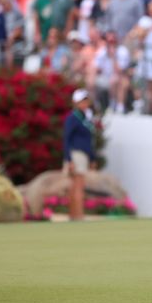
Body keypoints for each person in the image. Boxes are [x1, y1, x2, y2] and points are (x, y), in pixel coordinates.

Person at [63, 89, 96, 221]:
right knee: (77, 186)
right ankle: (78, 216)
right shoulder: (73, 118)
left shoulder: (85, 118)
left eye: (86, 101)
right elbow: (67, 139)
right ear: (75, 102)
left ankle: (74, 215)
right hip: (76, 155)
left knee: (76, 186)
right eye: (82, 101)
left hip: (83, 155)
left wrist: (92, 158)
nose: (85, 103)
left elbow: (89, 141)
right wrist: (68, 159)